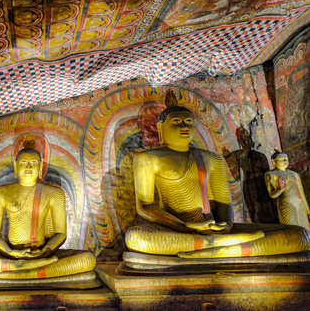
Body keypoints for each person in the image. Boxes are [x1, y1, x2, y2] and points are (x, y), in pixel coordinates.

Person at [125, 91, 310, 259]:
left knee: (301, 235)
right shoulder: (147, 159)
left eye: (188, 122)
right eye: (176, 122)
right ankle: (222, 246)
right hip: (177, 229)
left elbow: (223, 203)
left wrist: (227, 224)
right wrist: (185, 226)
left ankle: (221, 248)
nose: (184, 126)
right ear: (160, 129)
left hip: (213, 226)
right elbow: (145, 207)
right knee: (136, 238)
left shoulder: (212, 159)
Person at [0, 133, 95, 279]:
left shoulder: (54, 193)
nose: (29, 167)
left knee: (87, 259)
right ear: (15, 166)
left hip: (42, 253)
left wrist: (44, 251)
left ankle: (23, 271)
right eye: (24, 163)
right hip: (10, 254)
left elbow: (61, 233)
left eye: (34, 163)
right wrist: (11, 252)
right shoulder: (0, 192)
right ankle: (22, 268)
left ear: (40, 168)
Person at [265, 150, 310, 230]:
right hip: (287, 204)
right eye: (282, 159)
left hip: (300, 204)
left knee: (305, 229)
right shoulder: (271, 174)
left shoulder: (294, 174)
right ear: (274, 161)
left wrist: (308, 210)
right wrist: (280, 189)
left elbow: (301, 193)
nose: (285, 161)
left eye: (286, 159)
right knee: (292, 230)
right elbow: (272, 195)